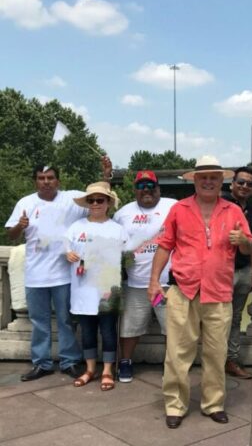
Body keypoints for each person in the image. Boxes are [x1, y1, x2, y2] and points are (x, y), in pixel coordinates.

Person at [148, 156, 252, 429]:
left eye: (213, 177)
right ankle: (175, 405)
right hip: (184, 290)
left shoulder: (233, 210)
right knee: (177, 353)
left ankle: (214, 403)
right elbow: (165, 245)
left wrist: (243, 241)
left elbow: (247, 247)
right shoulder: (179, 209)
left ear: (221, 181)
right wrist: (154, 281)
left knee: (216, 354)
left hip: (219, 292)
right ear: (194, 180)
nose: (208, 181)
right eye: (203, 177)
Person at [5, 157, 112, 381]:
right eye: (41, 178)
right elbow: (11, 235)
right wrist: (19, 227)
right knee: (39, 322)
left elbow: (99, 197)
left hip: (64, 275)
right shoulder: (25, 203)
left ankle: (69, 361)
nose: (46, 182)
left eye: (50, 178)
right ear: (35, 181)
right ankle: (41, 363)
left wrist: (105, 175)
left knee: (65, 321)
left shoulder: (71, 200)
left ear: (58, 181)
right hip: (35, 276)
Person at [113, 170, 177, 383]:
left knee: (171, 327)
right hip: (136, 284)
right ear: (135, 189)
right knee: (130, 328)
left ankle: (171, 365)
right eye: (141, 186)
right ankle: (125, 362)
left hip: (165, 284)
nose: (146, 190)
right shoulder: (122, 213)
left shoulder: (173, 206)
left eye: (151, 186)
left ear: (158, 188)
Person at [66, 182, 128, 392]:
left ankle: (108, 370)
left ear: (108, 203)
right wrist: (68, 254)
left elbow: (127, 257)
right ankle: (90, 369)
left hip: (107, 289)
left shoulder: (117, 229)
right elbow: (65, 248)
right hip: (82, 289)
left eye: (99, 200)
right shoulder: (76, 227)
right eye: (91, 200)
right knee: (87, 332)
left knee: (108, 331)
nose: (95, 204)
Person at [224, 166, 252, 380]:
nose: (245, 186)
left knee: (236, 317)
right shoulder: (222, 206)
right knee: (218, 317)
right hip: (224, 271)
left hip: (244, 270)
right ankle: (216, 359)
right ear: (232, 184)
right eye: (241, 182)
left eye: (249, 184)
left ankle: (232, 359)